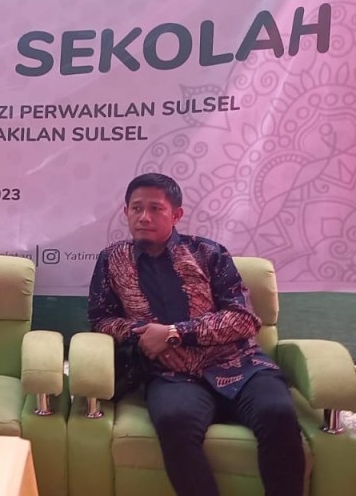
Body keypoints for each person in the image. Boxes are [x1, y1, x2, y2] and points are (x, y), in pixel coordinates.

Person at [88, 173, 304, 496]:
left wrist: (175, 333)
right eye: (136, 208)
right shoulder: (112, 259)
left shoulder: (208, 253)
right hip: (172, 375)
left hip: (240, 366)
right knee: (174, 420)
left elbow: (243, 319)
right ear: (126, 212)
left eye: (155, 208)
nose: (144, 217)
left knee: (278, 413)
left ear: (176, 214)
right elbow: (100, 319)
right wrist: (142, 334)